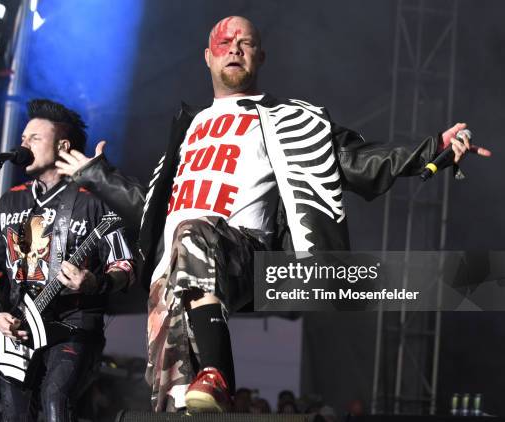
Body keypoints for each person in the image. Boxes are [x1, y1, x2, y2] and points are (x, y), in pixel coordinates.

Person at [55, 16, 491, 413]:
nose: (234, 48)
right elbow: (154, 210)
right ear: (207, 56)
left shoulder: (288, 119)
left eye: (245, 43)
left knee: (194, 235)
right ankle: (208, 386)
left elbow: (359, 159)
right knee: (180, 404)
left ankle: (219, 372)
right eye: (224, 42)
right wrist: (98, 175)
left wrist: (433, 149)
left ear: (260, 56)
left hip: (239, 250)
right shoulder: (187, 130)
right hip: (173, 279)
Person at [0, 99, 135, 422]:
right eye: (22, 138)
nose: (23, 144)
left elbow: (124, 267)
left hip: (74, 325)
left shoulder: (93, 201)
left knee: (55, 401)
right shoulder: (9, 201)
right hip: (19, 329)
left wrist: (94, 282)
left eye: (34, 138)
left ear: (62, 145)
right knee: (14, 415)